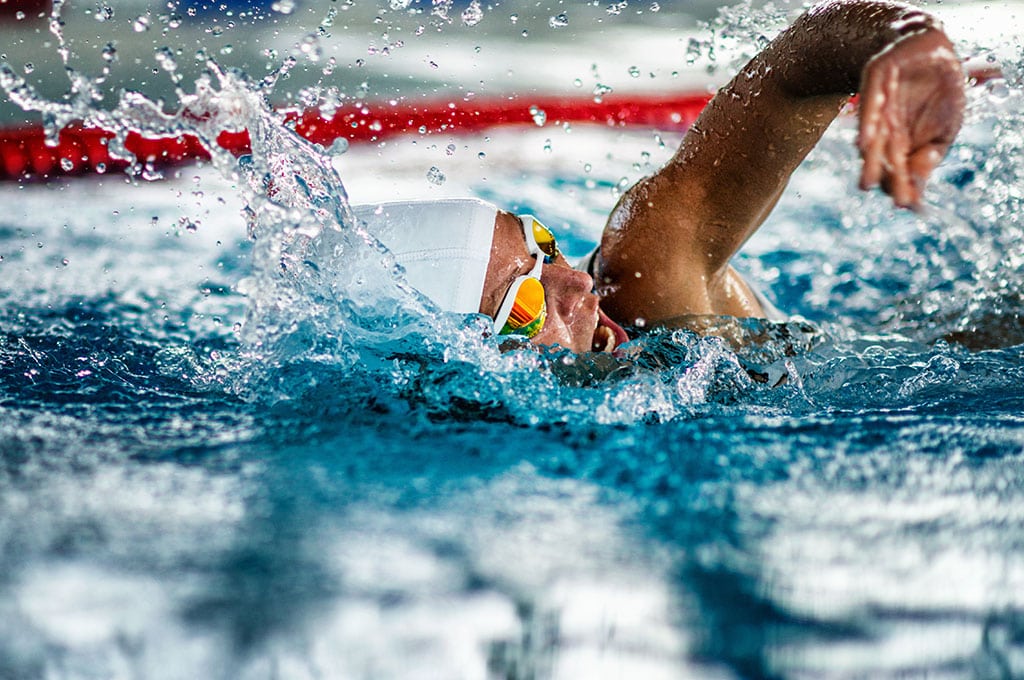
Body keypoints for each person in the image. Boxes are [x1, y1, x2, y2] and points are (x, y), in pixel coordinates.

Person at [356, 0, 966, 354]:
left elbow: (789, 79)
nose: (578, 286)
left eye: (542, 246)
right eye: (526, 301)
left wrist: (906, 38)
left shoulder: (644, 279)